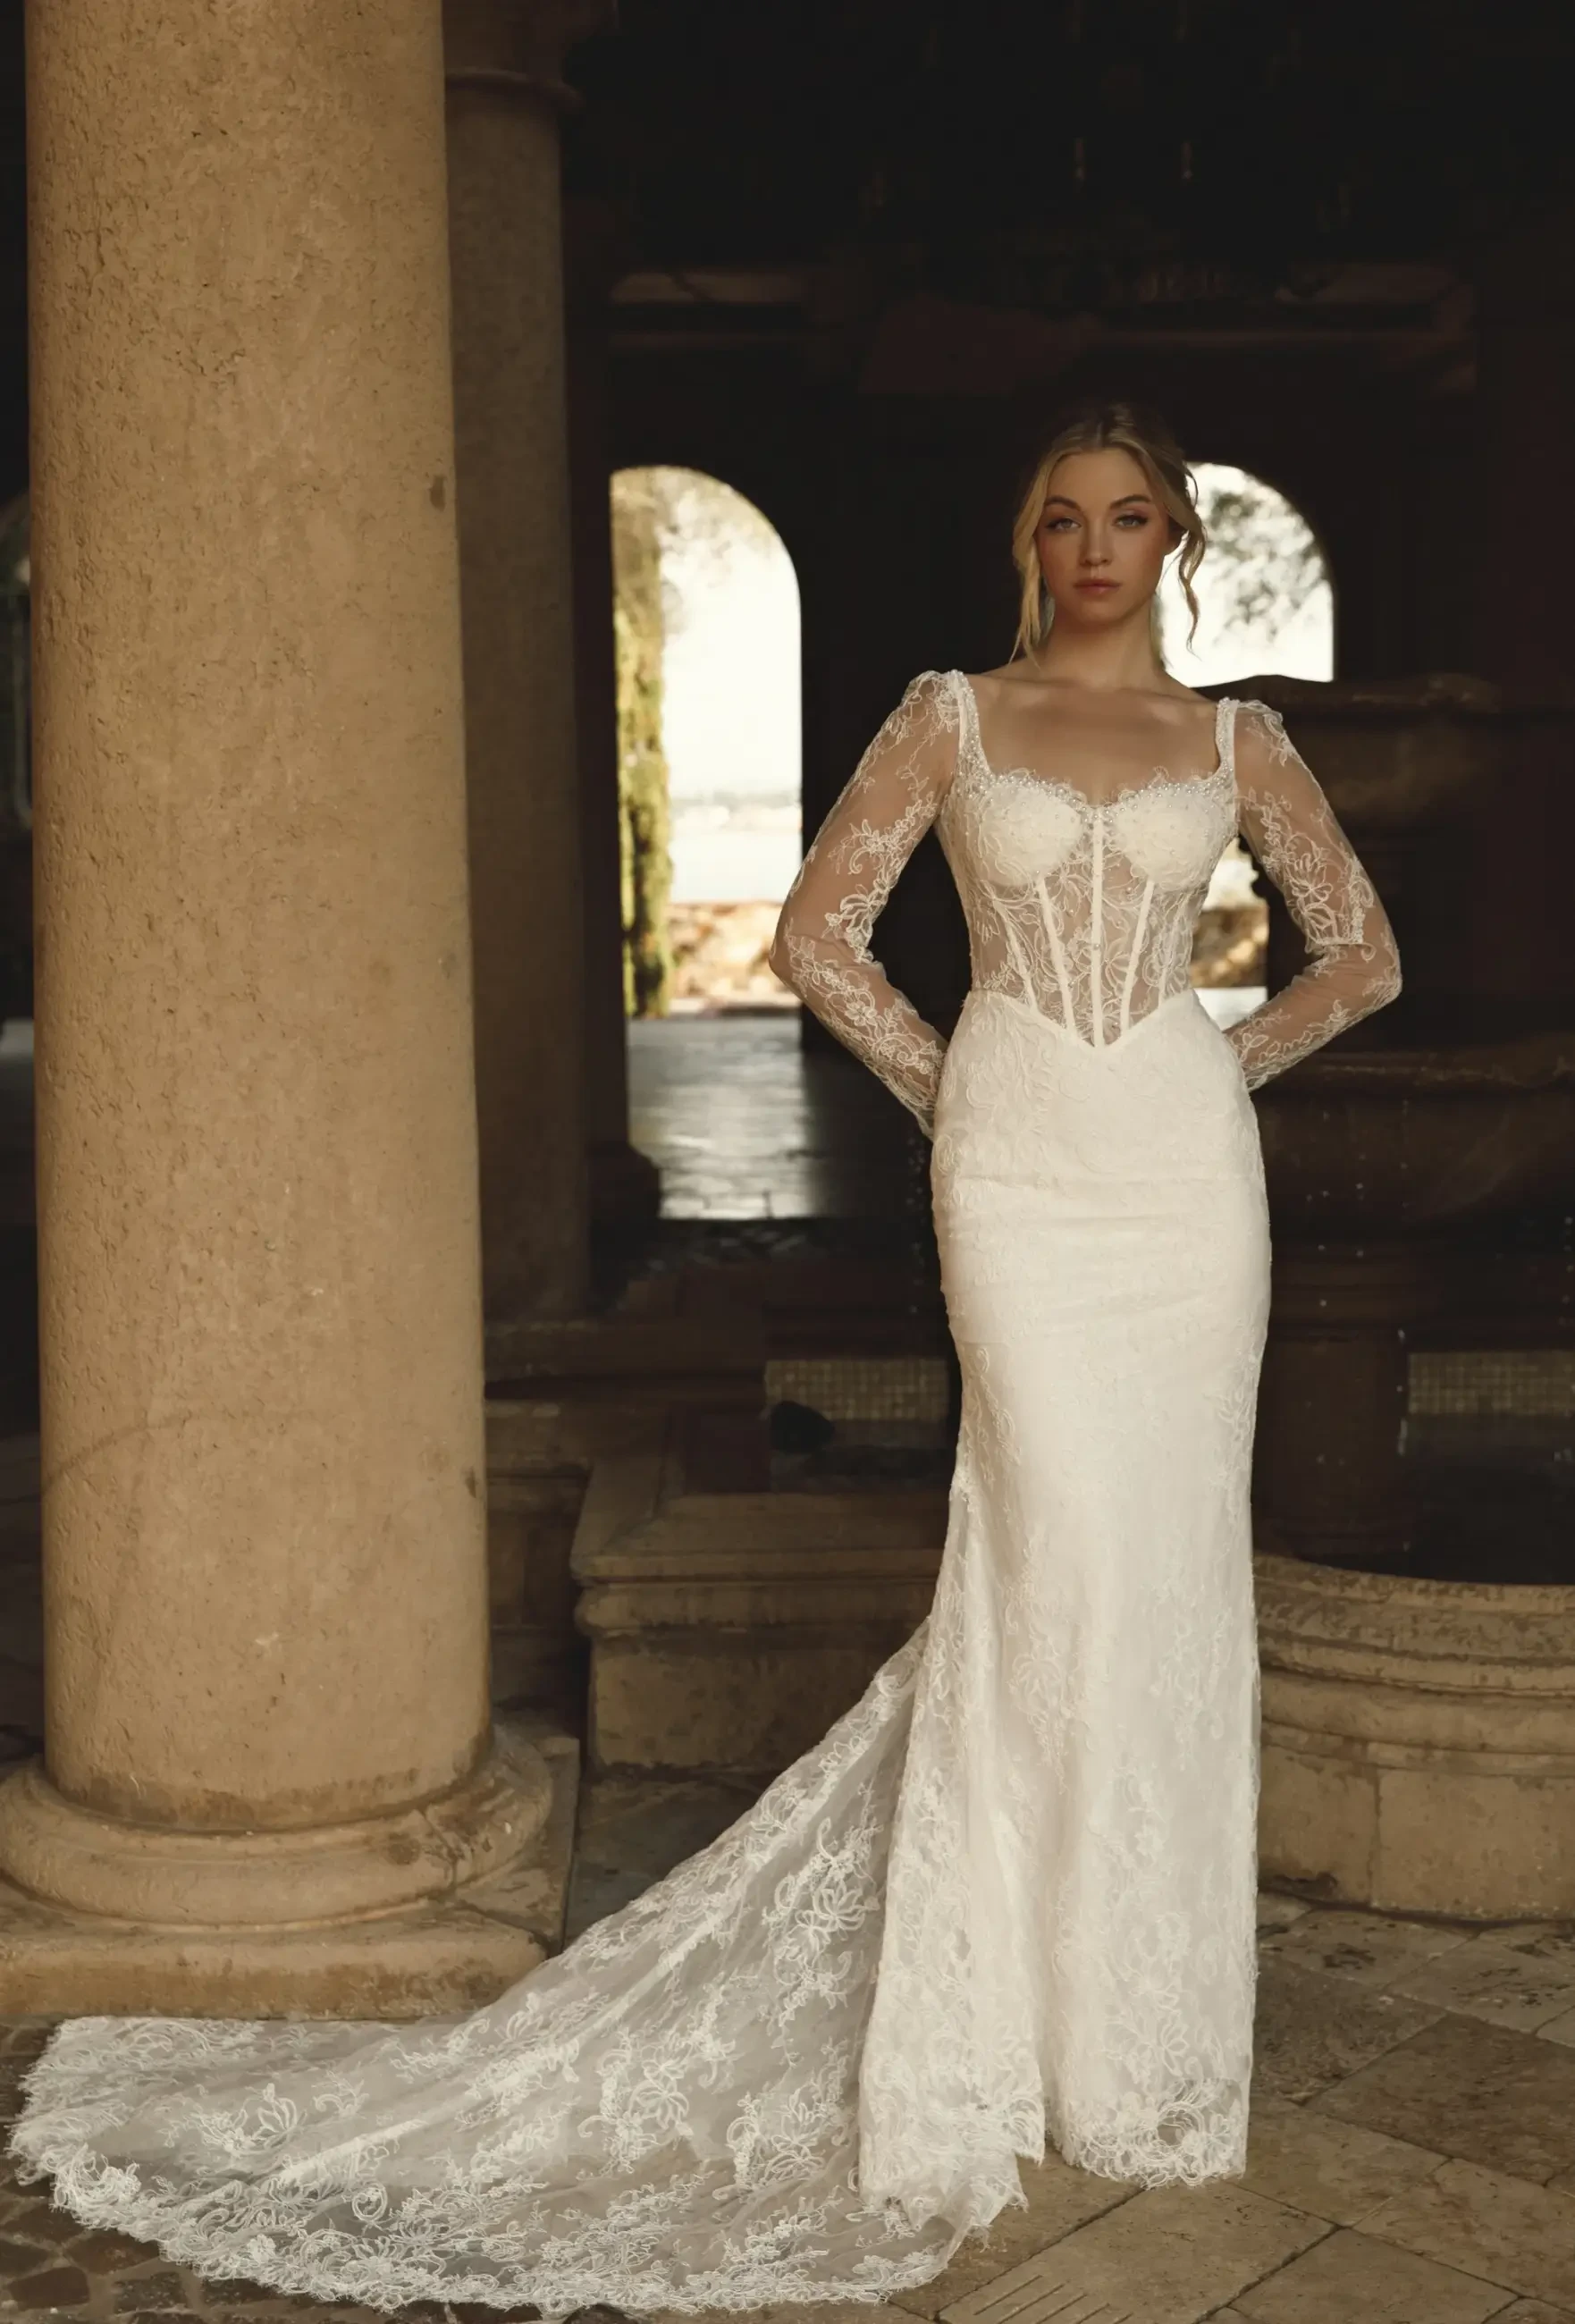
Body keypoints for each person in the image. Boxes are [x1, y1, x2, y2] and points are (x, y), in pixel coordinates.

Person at [7, 402, 1401, 2319]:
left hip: (1181, 1189)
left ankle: (1140, 2059)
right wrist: (965, 1090)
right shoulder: (946, 714)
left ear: (1174, 540)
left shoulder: (1232, 740)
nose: (1094, 545)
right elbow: (827, 940)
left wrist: (1196, 1067)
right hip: (1015, 1181)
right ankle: (982, 2032)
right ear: (1029, 541)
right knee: (1047, 1555)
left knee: (1162, 1584)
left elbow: (1359, 957)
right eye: (1062, 517)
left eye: (1128, 515)